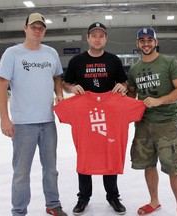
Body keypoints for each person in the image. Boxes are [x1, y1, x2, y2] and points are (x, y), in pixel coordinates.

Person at [0, 12, 67, 216]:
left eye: (41, 28)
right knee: (21, 173)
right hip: (23, 124)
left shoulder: (51, 53)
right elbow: (2, 86)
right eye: (34, 27)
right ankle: (19, 211)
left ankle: (53, 204)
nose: (37, 30)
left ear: (44, 31)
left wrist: (60, 94)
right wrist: (4, 119)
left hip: (47, 122)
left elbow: (56, 78)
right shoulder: (12, 53)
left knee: (51, 169)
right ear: (25, 28)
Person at [63, 22, 128, 215]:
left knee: (110, 151)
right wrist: (71, 88)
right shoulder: (76, 61)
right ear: (88, 38)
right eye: (94, 35)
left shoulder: (114, 60)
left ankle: (113, 197)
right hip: (85, 115)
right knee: (85, 153)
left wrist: (123, 87)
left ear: (105, 39)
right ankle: (83, 198)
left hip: (110, 115)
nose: (97, 39)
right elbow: (66, 83)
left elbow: (124, 81)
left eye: (101, 36)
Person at [127, 27, 177, 216]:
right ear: (137, 44)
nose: (146, 44)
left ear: (156, 42)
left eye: (149, 40)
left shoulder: (170, 63)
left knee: (173, 168)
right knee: (148, 165)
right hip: (143, 125)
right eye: (142, 40)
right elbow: (131, 95)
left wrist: (159, 101)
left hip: (166, 124)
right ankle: (154, 201)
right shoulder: (134, 69)